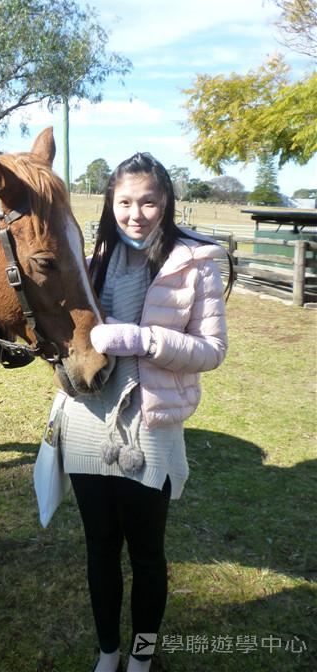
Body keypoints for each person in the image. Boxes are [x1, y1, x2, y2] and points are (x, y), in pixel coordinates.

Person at [59, 152, 230, 672]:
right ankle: (109, 652)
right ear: (111, 205)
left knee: (148, 554)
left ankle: (143, 656)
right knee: (100, 549)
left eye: (149, 202)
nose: (137, 214)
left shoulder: (195, 262)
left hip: (152, 424)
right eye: (126, 202)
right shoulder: (93, 257)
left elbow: (212, 350)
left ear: (167, 203)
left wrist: (144, 339)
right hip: (90, 420)